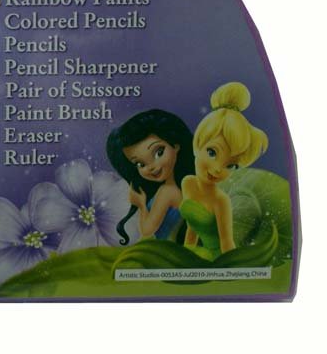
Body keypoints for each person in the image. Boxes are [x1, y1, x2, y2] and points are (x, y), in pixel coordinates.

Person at [180, 82, 268, 259]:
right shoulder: (188, 183)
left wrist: (231, 269)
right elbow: (192, 228)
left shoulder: (221, 202)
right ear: (198, 144)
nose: (217, 169)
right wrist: (186, 252)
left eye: (231, 165)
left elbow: (227, 243)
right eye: (212, 153)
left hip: (217, 259)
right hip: (196, 256)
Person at [106, 109, 194, 244]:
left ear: (175, 145)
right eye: (140, 164)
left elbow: (147, 230)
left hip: (164, 248)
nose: (151, 167)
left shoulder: (167, 191)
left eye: (159, 152)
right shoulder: (183, 188)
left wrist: (141, 204)